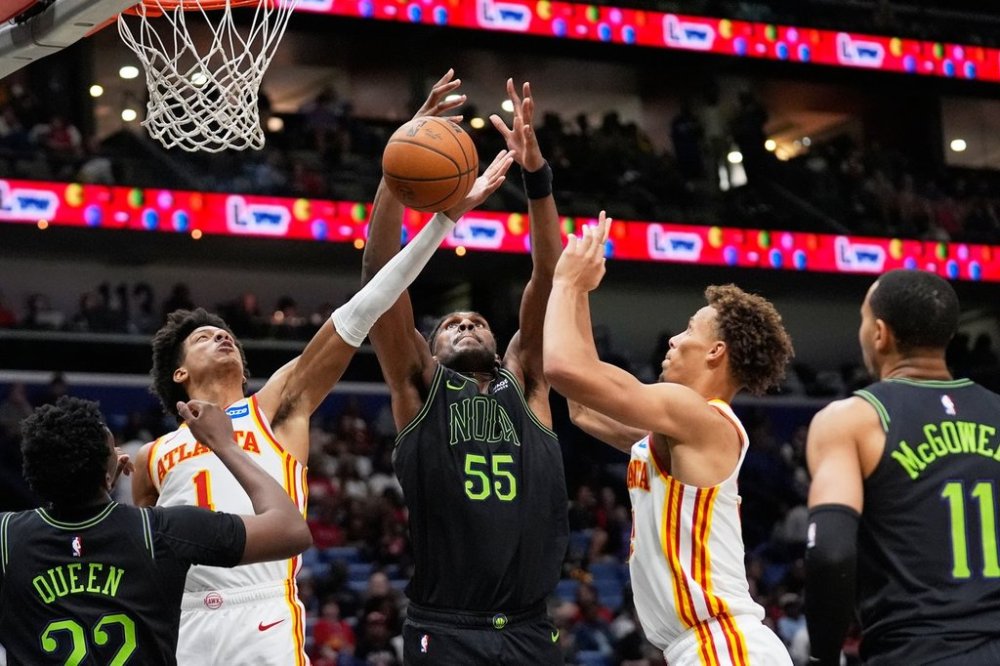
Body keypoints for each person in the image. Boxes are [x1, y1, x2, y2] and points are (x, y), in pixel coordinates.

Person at [129, 136, 512, 663]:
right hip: (182, 619)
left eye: (227, 335)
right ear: (178, 373)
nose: (222, 336)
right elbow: (138, 558)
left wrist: (443, 221)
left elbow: (364, 307)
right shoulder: (149, 457)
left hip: (260, 610)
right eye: (203, 338)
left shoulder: (275, 404)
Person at [360, 71, 568, 665]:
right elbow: (378, 275)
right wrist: (399, 163)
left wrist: (536, 176)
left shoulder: (526, 381)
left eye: (476, 321)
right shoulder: (420, 386)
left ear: (500, 344)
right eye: (451, 324)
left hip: (530, 627)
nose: (466, 324)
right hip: (446, 627)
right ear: (429, 349)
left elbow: (548, 278)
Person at [544, 215, 794, 665]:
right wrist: (581, 291)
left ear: (716, 351)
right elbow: (582, 407)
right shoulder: (679, 433)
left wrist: (565, 280)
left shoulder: (697, 415)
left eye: (689, 330)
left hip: (724, 646)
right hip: (703, 646)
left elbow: (563, 368)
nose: (675, 339)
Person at [0, 396, 312, 665]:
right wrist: (225, 444)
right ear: (110, 474)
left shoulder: (7, 536)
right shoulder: (160, 531)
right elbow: (291, 530)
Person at [804, 269, 1000, 665]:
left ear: (879, 333)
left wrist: (823, 658)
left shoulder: (852, 420)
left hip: (915, 650)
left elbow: (830, 554)